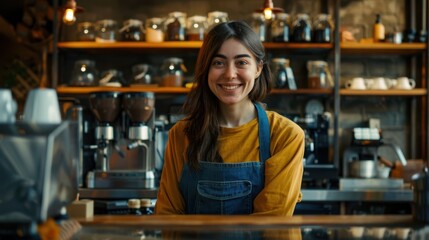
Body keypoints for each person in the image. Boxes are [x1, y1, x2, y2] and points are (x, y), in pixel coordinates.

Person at [155, 20, 305, 215]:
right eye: (218, 63)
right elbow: (168, 215)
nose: (230, 74)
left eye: (241, 62)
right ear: (206, 69)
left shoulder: (286, 135)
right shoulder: (182, 134)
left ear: (258, 68)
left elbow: (272, 221)